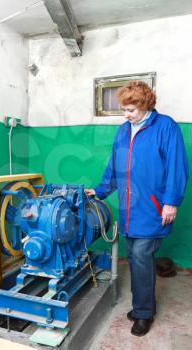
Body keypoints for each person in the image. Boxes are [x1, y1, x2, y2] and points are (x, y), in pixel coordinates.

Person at [86, 81, 189, 336]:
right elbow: (115, 165)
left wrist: (171, 202)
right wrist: (99, 190)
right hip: (129, 208)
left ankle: (144, 313)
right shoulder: (123, 131)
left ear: (145, 104)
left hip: (152, 207)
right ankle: (142, 304)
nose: (126, 114)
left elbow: (177, 166)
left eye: (131, 109)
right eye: (124, 109)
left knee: (141, 257)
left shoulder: (165, 126)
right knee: (134, 257)